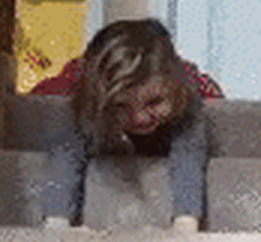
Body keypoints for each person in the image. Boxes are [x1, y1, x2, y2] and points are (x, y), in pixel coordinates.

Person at [41, 19, 221, 228]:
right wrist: (56, 222)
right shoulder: (85, 102)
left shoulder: (186, 97)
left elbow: (189, 156)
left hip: (186, 91)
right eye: (121, 106)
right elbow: (65, 155)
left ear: (174, 90)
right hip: (84, 91)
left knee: (194, 118)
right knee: (67, 121)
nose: (140, 118)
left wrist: (186, 222)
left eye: (154, 102)